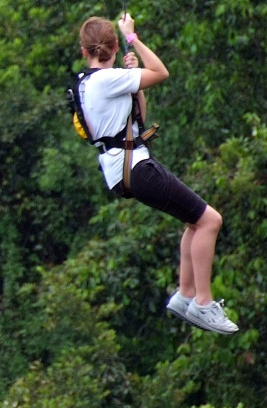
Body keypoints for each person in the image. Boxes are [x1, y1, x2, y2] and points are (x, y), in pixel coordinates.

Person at [74, 14, 237, 334]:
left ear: (84, 51)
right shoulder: (108, 80)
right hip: (136, 167)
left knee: (195, 222)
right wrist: (133, 37)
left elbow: (138, 120)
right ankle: (203, 304)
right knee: (210, 221)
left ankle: (185, 295)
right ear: (115, 46)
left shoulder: (89, 83)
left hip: (126, 168)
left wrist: (133, 75)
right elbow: (162, 72)